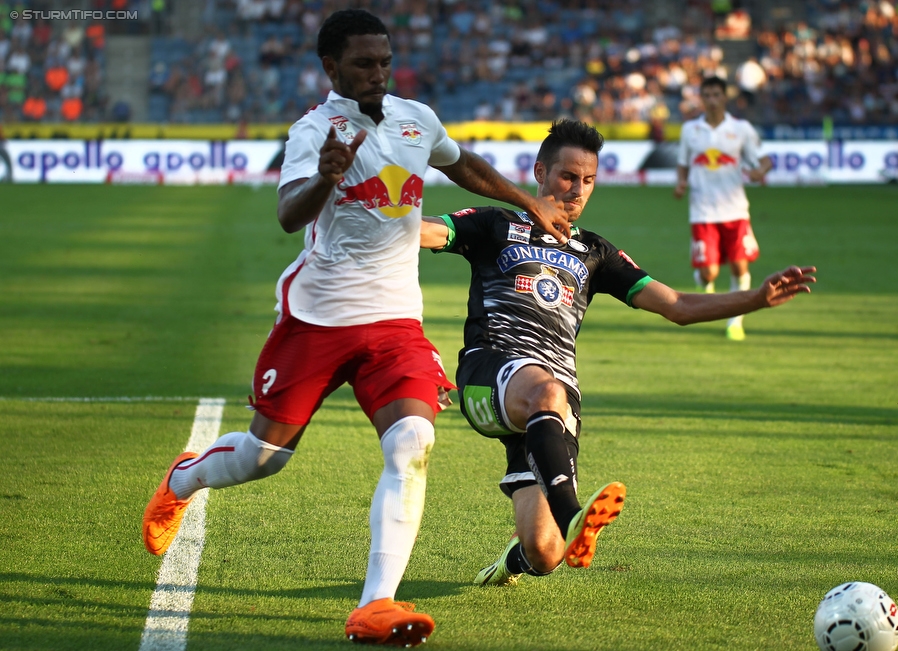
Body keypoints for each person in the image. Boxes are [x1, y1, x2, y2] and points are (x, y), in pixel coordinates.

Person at [141, 9, 570, 648]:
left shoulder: (415, 119)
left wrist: (525, 199)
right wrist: (327, 175)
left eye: (384, 61)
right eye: (364, 63)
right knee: (264, 457)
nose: (377, 73)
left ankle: (375, 606)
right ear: (331, 67)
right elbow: (289, 215)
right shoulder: (314, 130)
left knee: (412, 443)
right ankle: (183, 480)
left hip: (395, 322)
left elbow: (462, 164)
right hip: (316, 319)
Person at [419, 119, 814, 587]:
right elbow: (429, 233)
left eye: (588, 180)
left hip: (555, 404)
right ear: (540, 171)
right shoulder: (495, 223)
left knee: (545, 553)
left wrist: (756, 298)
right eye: (568, 176)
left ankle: (516, 559)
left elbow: (679, 306)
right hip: (491, 373)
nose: (577, 190)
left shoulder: (596, 253)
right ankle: (573, 516)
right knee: (545, 391)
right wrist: (372, 212)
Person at [673, 75, 773, 341]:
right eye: (707, 95)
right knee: (710, 273)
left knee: (740, 268)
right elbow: (683, 163)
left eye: (717, 95)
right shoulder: (690, 130)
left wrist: (759, 172)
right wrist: (681, 183)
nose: (712, 100)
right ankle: (702, 277)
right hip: (703, 210)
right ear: (702, 99)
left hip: (736, 210)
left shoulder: (741, 129)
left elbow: (764, 160)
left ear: (724, 98)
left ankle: (735, 322)